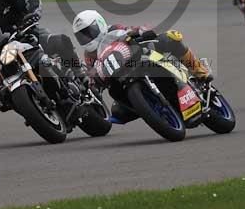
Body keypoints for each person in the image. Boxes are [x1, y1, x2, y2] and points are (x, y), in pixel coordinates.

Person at [71, 9, 214, 124]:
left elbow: (135, 29)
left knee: (170, 37)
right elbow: (92, 75)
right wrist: (92, 81)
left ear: (100, 24)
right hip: (122, 79)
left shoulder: (114, 29)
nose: (87, 38)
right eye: (82, 36)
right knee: (117, 113)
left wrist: (141, 32)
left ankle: (200, 71)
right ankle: (151, 107)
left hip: (142, 58)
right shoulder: (89, 54)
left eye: (89, 32)